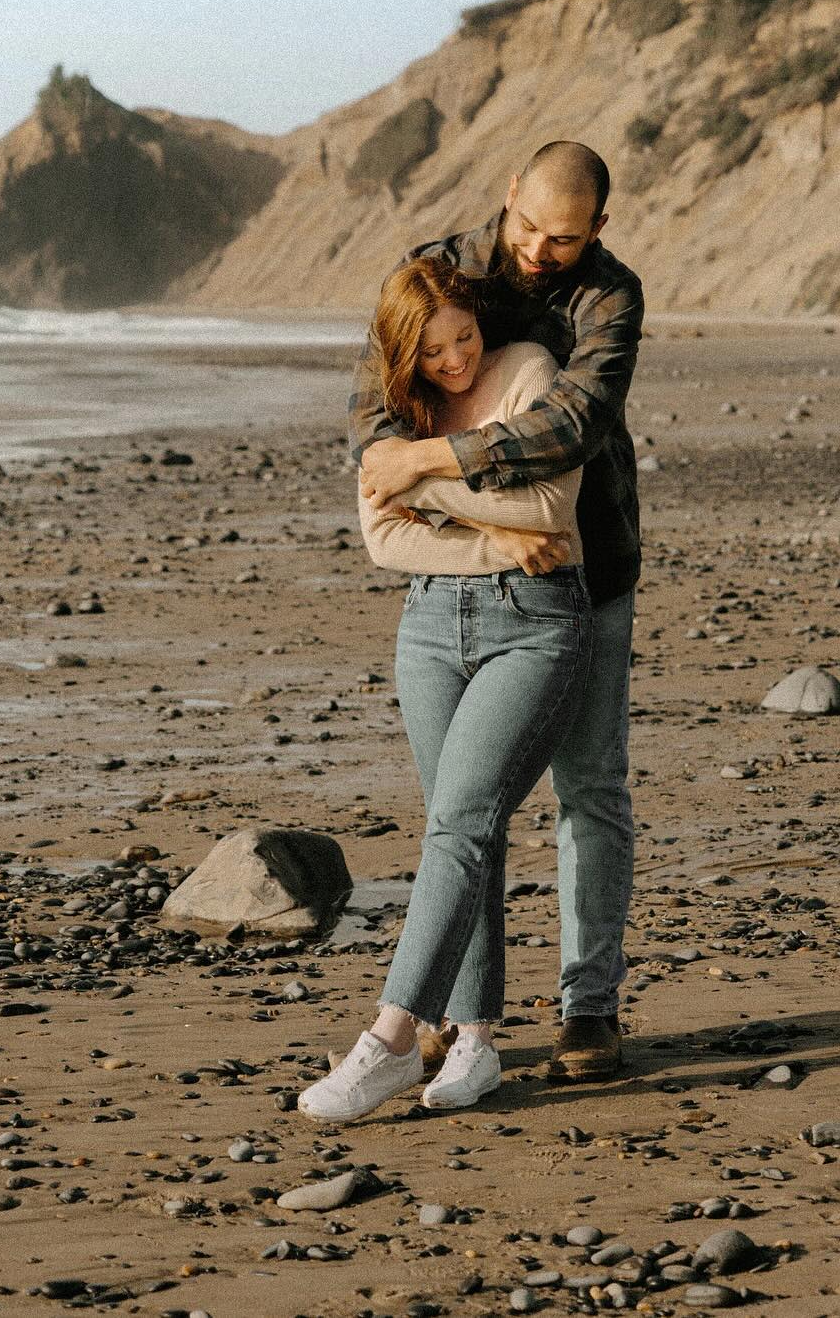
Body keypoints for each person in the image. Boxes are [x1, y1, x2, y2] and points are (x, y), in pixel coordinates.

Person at [348, 140, 643, 1085]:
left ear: (597, 227)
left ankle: (588, 1010)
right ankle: (466, 1020)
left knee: (588, 788)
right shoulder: (437, 274)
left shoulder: (608, 297)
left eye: (566, 238)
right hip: (461, 595)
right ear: (507, 194)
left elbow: (571, 428)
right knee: (464, 810)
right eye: (529, 227)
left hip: (585, 575)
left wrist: (433, 467)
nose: (541, 252)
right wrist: (459, 505)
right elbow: (376, 429)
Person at [299, 259, 592, 1121]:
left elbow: (551, 508)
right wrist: (487, 531)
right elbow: (385, 538)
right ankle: (475, 1039)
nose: (456, 361)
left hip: (536, 623)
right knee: (462, 829)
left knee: (461, 822)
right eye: (433, 352)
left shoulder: (529, 372)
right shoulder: (396, 408)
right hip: (429, 626)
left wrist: (425, 485)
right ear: (405, 354)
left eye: (463, 337)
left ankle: (391, 1040)